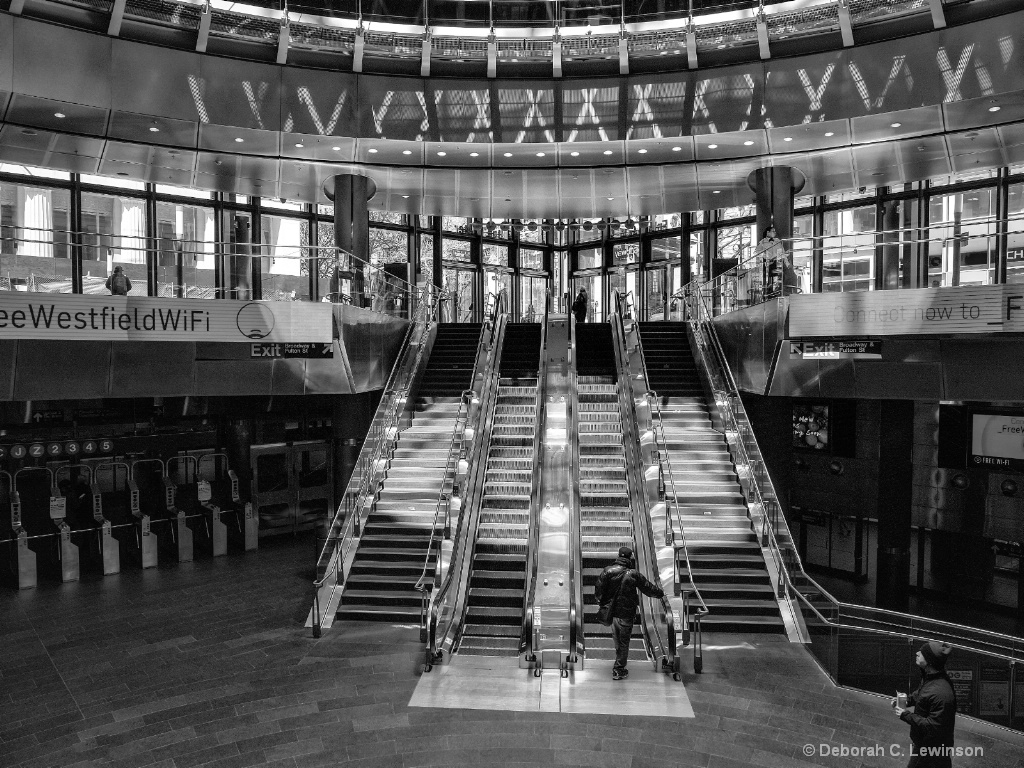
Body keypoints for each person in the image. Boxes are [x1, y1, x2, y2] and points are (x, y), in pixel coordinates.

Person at [594, 545, 665, 680]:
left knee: (617, 638)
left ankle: (619, 661)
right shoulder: (633, 574)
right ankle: (619, 668)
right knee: (624, 641)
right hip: (626, 614)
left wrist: (603, 604)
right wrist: (661, 594)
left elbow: (598, 592)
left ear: (619, 556)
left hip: (612, 613)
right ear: (630, 557)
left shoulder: (607, 571)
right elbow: (648, 588)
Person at [893, 641, 957, 767]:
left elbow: (933, 726)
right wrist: (907, 700)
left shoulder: (941, 693)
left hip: (930, 750)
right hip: (928, 746)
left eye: (921, 653)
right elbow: (922, 694)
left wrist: (906, 715)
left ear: (929, 660)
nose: (917, 653)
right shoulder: (932, 678)